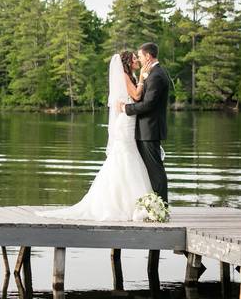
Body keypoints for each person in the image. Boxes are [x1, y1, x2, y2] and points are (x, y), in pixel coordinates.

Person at [37, 51, 154, 221]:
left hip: (130, 120)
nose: (136, 60)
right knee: (124, 157)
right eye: (134, 59)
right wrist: (143, 79)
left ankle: (131, 203)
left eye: (137, 58)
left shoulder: (131, 75)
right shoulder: (124, 76)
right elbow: (136, 96)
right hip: (126, 122)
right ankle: (121, 204)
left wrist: (142, 78)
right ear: (128, 62)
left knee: (127, 157)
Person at [119, 42, 170, 204]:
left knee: (155, 170)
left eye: (140, 56)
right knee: (149, 170)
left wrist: (126, 108)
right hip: (145, 129)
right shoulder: (154, 73)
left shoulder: (156, 75)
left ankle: (162, 206)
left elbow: (148, 104)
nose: (139, 60)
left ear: (148, 56)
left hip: (150, 129)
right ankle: (155, 204)